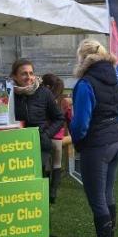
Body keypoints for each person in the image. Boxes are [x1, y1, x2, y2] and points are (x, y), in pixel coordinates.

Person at [70, 40, 118, 237]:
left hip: (97, 146)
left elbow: (81, 123)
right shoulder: (115, 80)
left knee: (98, 200)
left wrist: (78, 140)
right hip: (115, 142)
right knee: (108, 194)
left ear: (83, 59)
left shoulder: (85, 84)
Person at [11, 60, 64, 190]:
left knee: (37, 182)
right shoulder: (8, 93)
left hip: (40, 144)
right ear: (14, 76)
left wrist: (46, 134)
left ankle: (44, 201)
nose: (29, 77)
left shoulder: (44, 93)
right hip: (15, 146)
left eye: (31, 73)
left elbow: (59, 118)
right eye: (24, 74)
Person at [41, 74, 73, 204]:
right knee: (57, 164)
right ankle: (53, 193)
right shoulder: (64, 101)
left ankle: (44, 191)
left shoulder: (43, 99)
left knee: (46, 165)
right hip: (58, 139)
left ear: (47, 86)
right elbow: (69, 118)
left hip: (45, 136)